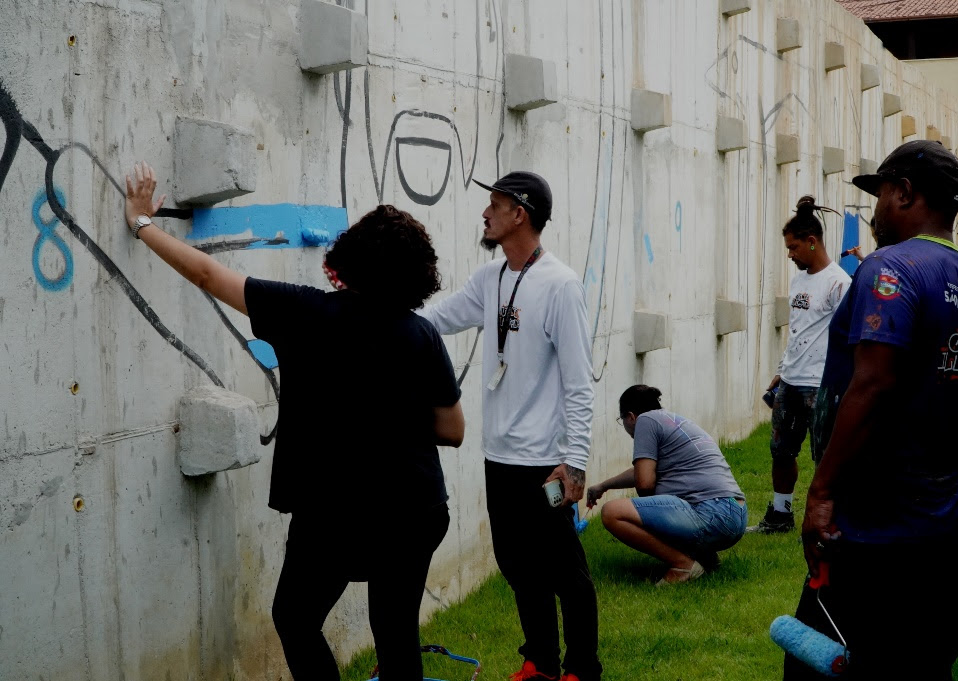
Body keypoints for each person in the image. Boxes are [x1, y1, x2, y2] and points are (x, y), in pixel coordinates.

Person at [122, 163, 465, 681]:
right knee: (396, 634)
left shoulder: (304, 312)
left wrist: (142, 223)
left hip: (334, 511)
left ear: (352, 259)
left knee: (296, 618)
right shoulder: (421, 334)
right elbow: (453, 430)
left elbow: (207, 275)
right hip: (413, 509)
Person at [787, 140, 958, 680]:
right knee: (924, 661)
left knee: (822, 661)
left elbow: (875, 383)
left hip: (881, 524)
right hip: (957, 512)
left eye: (880, 195)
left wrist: (821, 492)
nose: (876, 211)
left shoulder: (892, 267)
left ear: (904, 193)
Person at [419, 171, 600, 681]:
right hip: (498, 457)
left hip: (545, 461)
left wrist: (576, 462)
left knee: (567, 572)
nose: (485, 213)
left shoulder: (561, 286)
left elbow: (579, 382)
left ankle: (582, 668)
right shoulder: (491, 278)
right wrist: (390, 319)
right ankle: (539, 662)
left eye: (494, 205)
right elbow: (440, 318)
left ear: (519, 213)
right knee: (519, 569)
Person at [748, 196, 851, 534]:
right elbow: (799, 330)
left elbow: (848, 338)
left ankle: (829, 522)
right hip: (791, 381)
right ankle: (780, 515)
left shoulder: (840, 283)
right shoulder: (799, 280)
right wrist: (783, 368)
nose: (789, 254)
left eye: (793, 247)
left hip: (821, 386)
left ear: (812, 241)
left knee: (825, 459)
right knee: (781, 451)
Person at [585, 385, 746, 585]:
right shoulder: (673, 421)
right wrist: (603, 486)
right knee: (661, 505)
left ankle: (683, 565)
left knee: (612, 512)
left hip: (713, 511)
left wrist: (649, 517)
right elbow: (643, 473)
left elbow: (644, 484)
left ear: (630, 416)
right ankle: (706, 558)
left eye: (622, 421)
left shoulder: (645, 421)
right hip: (735, 513)